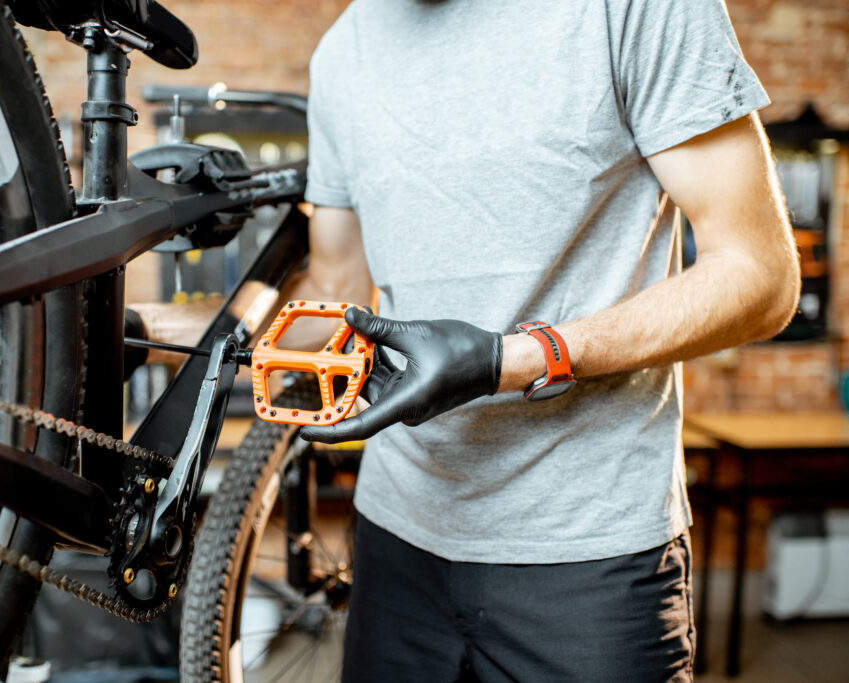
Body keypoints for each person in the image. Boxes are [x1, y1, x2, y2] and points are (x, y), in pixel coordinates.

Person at [290, 0, 800, 680]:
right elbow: (336, 281)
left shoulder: (633, 8)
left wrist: (514, 360)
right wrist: (207, 342)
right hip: (394, 539)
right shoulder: (341, 53)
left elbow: (760, 276)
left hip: (587, 561)